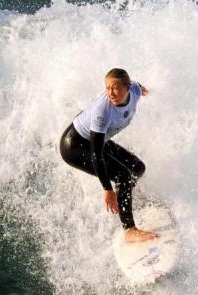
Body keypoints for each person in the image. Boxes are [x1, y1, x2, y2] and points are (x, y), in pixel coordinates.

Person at [59, 68, 158, 243]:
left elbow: (138, 86)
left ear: (127, 88)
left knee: (137, 168)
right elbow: (97, 154)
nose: (111, 93)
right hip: (74, 145)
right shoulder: (103, 110)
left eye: (115, 88)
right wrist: (107, 189)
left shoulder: (134, 90)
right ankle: (129, 230)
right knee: (122, 175)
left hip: (96, 139)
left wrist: (145, 90)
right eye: (107, 88)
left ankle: (123, 197)